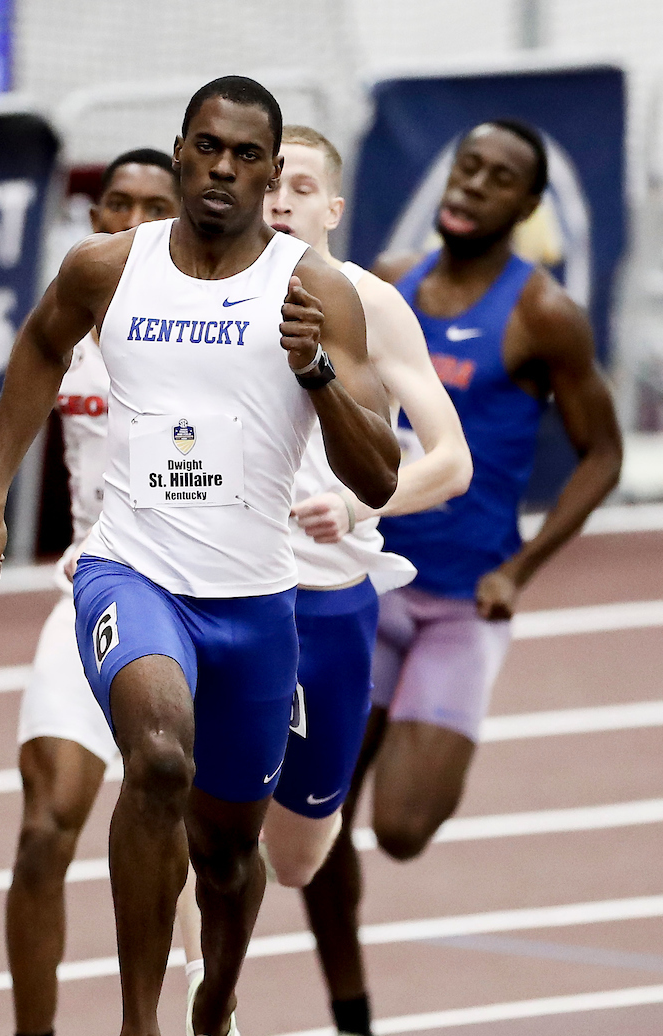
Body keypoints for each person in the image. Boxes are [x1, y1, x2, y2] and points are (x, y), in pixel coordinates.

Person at [0, 75, 401, 1036]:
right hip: (130, 571)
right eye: (204, 148)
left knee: (231, 853)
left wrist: (317, 373)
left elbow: (378, 473)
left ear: (269, 169)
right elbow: (36, 347)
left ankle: (213, 1021)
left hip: (254, 599)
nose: (220, 170)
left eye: (246, 156)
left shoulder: (316, 290)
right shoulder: (110, 268)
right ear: (181, 149)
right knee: (154, 760)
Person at [276, 119, 623, 1036]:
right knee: (319, 813)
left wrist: (522, 567)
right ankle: (353, 1032)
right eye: (465, 164)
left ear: (525, 206)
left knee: (402, 827)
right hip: (361, 578)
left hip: (461, 605)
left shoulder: (543, 313)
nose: (471, 184)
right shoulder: (381, 281)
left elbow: (602, 454)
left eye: (499, 177)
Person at [0, 148, 197, 1036]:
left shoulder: (211, 320)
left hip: (200, 605)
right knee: (45, 830)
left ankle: (202, 1020)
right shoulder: (68, 323)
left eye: (150, 207)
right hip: (91, 592)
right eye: (112, 206)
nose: (125, 222)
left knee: (220, 842)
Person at [259, 126, 471, 898]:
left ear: (333, 209)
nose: (280, 201)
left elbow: (452, 461)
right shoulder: (195, 293)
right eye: (269, 181)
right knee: (182, 795)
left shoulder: (372, 303)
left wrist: (353, 508)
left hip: (327, 597)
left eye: (302, 188)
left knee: (296, 860)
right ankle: (194, 1004)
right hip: (219, 584)